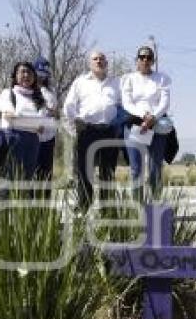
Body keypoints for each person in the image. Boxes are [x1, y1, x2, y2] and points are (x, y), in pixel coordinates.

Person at [63, 50, 120, 210]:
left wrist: (119, 126)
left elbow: (123, 106)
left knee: (107, 171)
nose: (99, 61)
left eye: (102, 59)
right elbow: (68, 106)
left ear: (107, 63)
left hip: (109, 131)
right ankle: (84, 204)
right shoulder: (80, 82)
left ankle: (107, 208)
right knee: (84, 171)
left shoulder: (116, 83)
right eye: (95, 59)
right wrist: (76, 127)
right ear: (90, 63)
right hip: (87, 131)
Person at [121, 45, 171, 200]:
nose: (145, 60)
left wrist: (153, 117)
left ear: (153, 61)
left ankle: (155, 204)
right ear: (137, 60)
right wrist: (144, 116)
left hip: (156, 124)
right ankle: (138, 205)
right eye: (142, 57)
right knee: (136, 169)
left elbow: (165, 102)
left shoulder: (162, 78)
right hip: (136, 124)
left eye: (149, 58)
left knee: (155, 167)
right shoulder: (128, 78)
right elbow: (127, 103)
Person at [0, 62, 54, 196]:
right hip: (13, 139)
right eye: (22, 72)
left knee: (27, 182)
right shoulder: (8, 93)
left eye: (29, 72)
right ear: (15, 76)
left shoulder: (38, 98)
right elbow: (9, 116)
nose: (26, 75)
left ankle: (23, 216)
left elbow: (41, 125)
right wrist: (32, 125)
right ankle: (2, 216)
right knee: (8, 180)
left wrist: (22, 121)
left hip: (33, 142)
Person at [33, 57, 59, 185]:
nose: (41, 78)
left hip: (49, 136)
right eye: (39, 74)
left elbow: (54, 109)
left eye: (44, 75)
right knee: (34, 170)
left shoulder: (50, 90)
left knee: (46, 171)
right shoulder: (30, 90)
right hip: (34, 135)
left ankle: (45, 201)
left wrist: (52, 111)